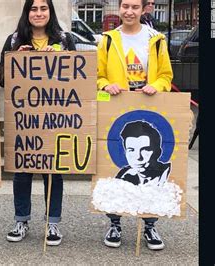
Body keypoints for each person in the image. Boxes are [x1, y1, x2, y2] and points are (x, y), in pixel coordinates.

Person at [0, 0, 75, 247]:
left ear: (50, 12)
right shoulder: (13, 40)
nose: (38, 13)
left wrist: (61, 57)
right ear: (26, 12)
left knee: (54, 172)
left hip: (56, 117)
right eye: (33, 8)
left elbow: (79, 74)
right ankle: (21, 220)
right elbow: (1, 78)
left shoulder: (64, 40)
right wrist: (15, 62)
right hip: (24, 119)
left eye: (43, 8)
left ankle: (53, 223)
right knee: (22, 171)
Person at [96, 0, 173, 251]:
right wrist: (106, 85)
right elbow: (98, 75)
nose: (129, 11)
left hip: (149, 106)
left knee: (148, 166)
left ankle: (150, 224)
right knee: (115, 165)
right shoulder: (107, 40)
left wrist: (157, 86)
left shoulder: (156, 39)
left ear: (143, 10)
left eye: (135, 7)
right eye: (125, 6)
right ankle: (115, 222)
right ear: (119, 8)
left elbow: (166, 75)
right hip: (117, 106)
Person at [115, 120, 171, 186]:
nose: (138, 157)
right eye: (131, 150)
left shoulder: (169, 177)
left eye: (145, 149)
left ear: (158, 152)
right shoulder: (123, 176)